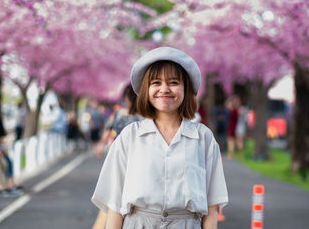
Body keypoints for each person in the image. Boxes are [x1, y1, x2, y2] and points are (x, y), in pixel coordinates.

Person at [92, 47, 228, 229]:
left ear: (186, 89)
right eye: (156, 82)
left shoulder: (203, 138)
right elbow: (115, 205)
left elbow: (212, 207)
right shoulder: (130, 136)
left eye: (173, 82)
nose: (164, 89)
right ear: (146, 89)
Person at [0, 104, 23, 194]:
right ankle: (0, 185)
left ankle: (10, 183)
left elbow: (2, 136)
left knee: (8, 163)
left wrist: (3, 147)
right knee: (0, 165)